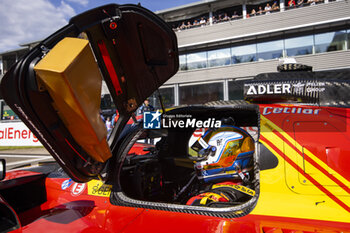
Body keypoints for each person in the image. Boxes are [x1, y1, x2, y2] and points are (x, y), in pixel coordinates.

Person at [186, 125, 255, 206]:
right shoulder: (253, 192)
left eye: (205, 154)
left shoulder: (203, 201)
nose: (199, 161)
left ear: (222, 156)